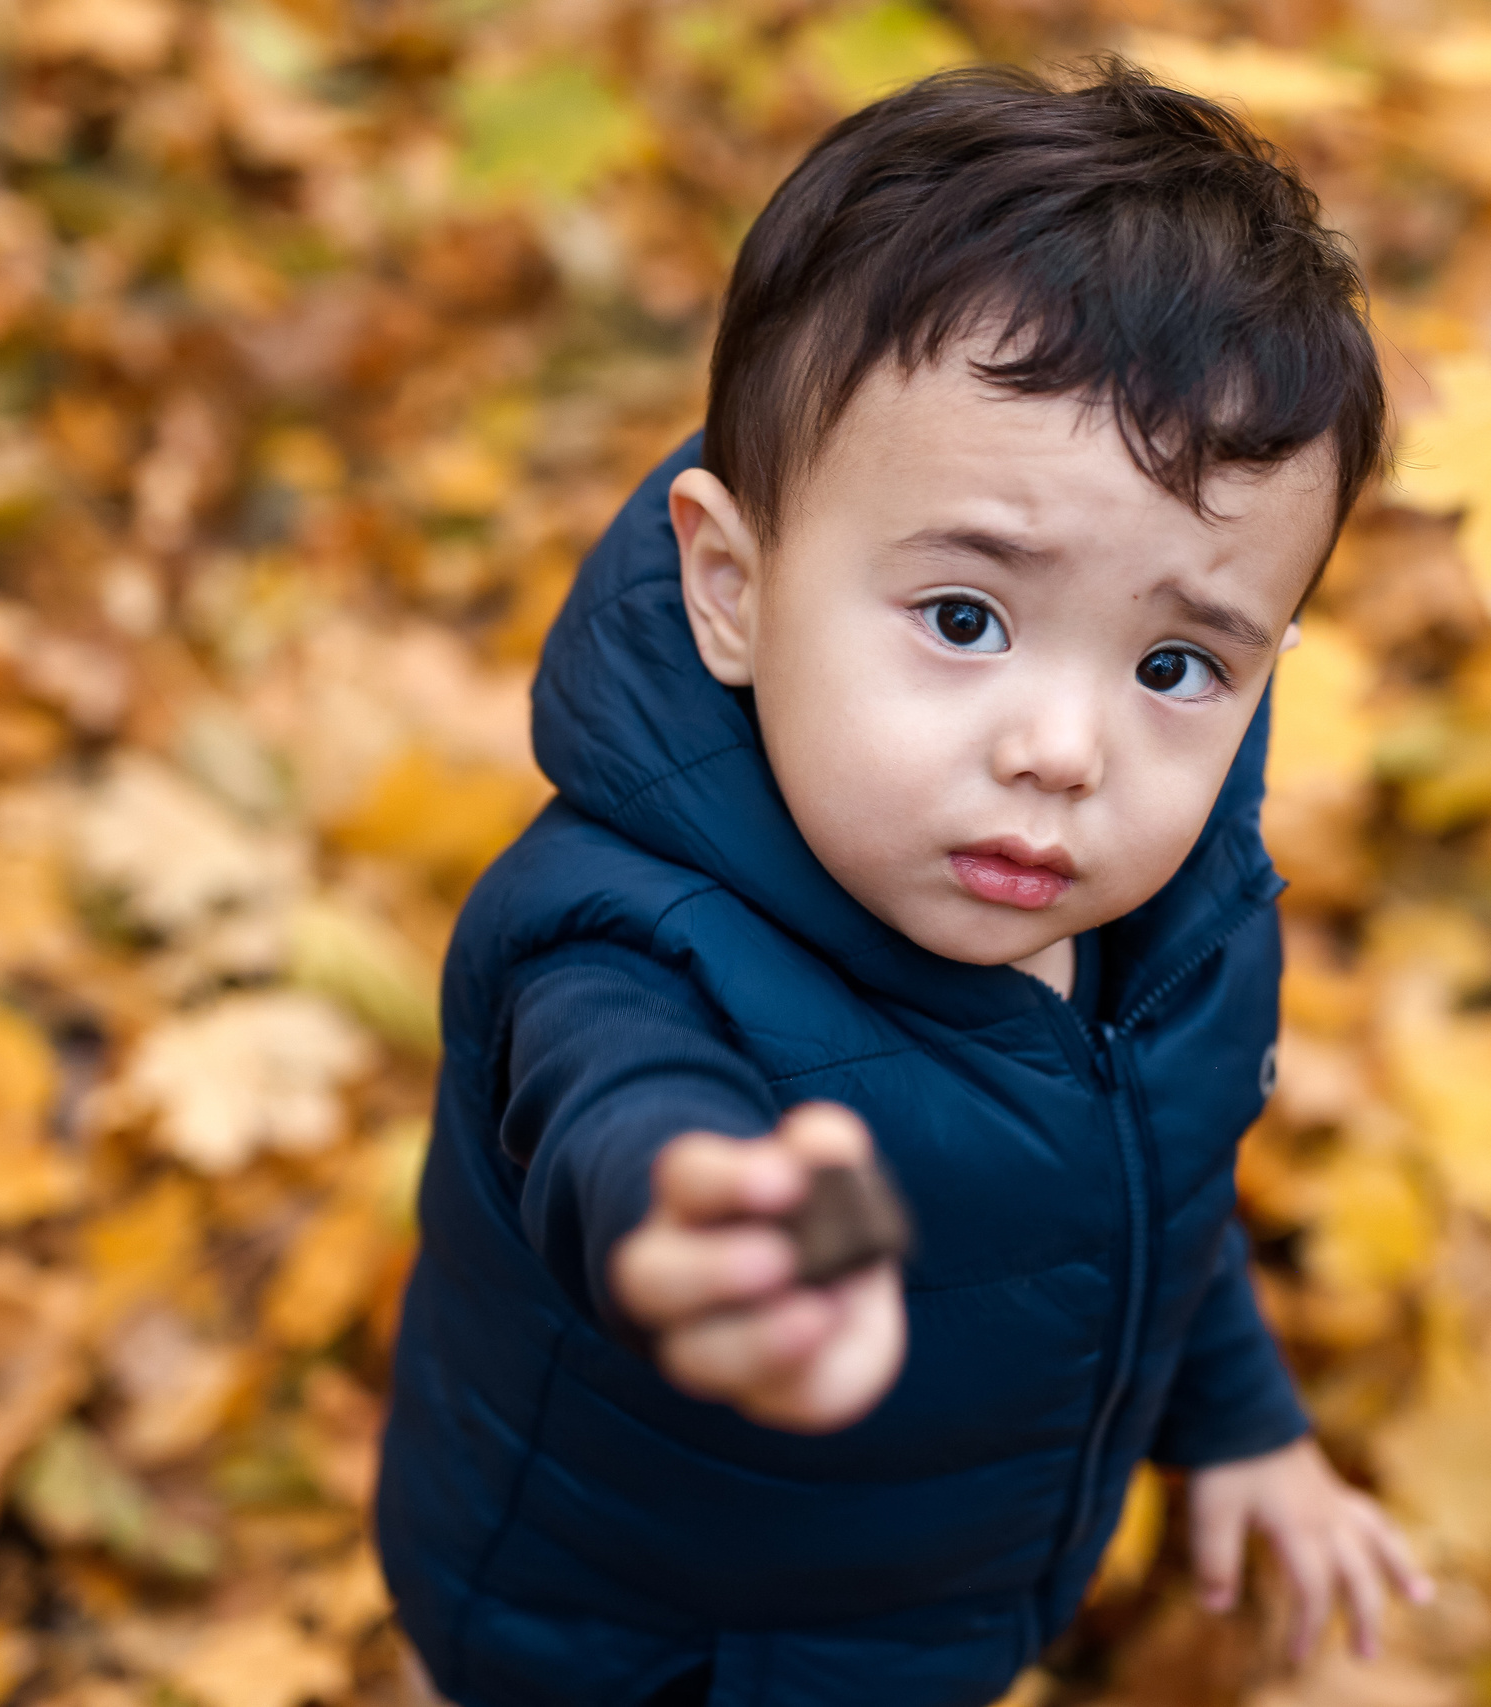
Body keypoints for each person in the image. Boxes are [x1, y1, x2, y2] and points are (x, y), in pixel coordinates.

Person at [375, 56, 1434, 1707]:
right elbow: (633, 1113)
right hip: (628, 1653)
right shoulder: (621, 948)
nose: (1065, 748)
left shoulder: (1169, 930)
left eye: (1176, 663)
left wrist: (1242, 1425)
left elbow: (1145, 1190)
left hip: (914, 1630)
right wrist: (711, 1226)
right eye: (965, 620)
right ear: (732, 588)